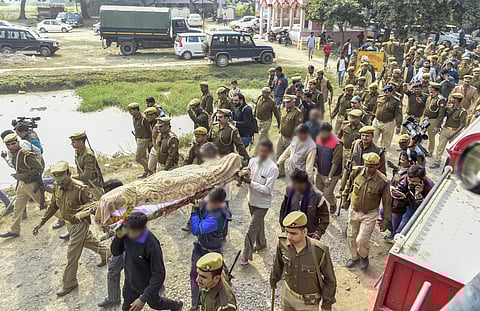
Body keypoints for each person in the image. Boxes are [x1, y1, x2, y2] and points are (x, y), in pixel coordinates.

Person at [33, 160, 111, 296]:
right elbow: (53, 206)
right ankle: (107, 253)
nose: (60, 183)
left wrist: (103, 224)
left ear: (69, 174)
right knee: (87, 241)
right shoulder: (57, 186)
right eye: (57, 181)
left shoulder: (80, 189)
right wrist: (42, 222)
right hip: (69, 224)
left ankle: (69, 283)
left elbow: (94, 208)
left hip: (80, 224)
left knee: (71, 255)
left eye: (62, 180)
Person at [110, 212, 183, 311]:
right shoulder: (126, 232)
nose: (128, 233)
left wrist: (143, 298)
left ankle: (175, 305)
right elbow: (115, 252)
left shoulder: (151, 245)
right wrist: (118, 238)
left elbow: (159, 273)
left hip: (146, 284)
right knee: (127, 308)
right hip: (130, 281)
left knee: (156, 304)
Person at [270, 211, 336, 311]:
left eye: (293, 233)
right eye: (287, 231)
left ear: (304, 232)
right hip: (287, 295)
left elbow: (330, 280)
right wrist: (274, 278)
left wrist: (327, 303)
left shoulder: (319, 252)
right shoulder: (282, 243)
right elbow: (278, 264)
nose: (288, 236)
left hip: (308, 303)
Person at [342, 153, 391, 271]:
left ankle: (364, 256)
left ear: (378, 165)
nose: (369, 168)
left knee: (361, 240)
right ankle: (354, 257)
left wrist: (386, 220)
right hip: (354, 210)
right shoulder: (356, 172)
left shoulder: (383, 181)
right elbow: (348, 186)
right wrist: (344, 198)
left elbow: (387, 202)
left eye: (372, 166)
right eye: (367, 165)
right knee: (351, 236)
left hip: (370, 214)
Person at [240, 139, 278, 265]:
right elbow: (248, 172)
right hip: (251, 200)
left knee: (252, 229)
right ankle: (261, 243)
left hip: (263, 204)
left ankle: (245, 256)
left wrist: (251, 182)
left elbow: (267, 190)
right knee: (258, 224)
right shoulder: (252, 161)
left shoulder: (272, 169)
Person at [189, 188, 229, 308]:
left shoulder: (217, 217)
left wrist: (195, 210)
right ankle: (195, 304)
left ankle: (215, 301)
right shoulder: (209, 202)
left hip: (212, 250)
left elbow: (196, 229)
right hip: (200, 246)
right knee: (195, 275)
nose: (207, 202)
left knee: (214, 277)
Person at [0, 134, 43, 238]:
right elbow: (13, 165)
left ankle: (65, 219)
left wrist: (22, 175)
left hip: (32, 184)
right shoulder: (13, 154)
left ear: (18, 142)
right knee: (18, 208)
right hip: (22, 185)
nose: (11, 147)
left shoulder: (25, 154)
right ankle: (14, 230)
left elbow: (38, 167)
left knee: (45, 204)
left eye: (13, 144)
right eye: (8, 145)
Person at [279, 169, 330, 240]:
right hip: (291, 232)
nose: (292, 185)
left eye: (294, 183)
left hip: (309, 235)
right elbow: (284, 207)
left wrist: (318, 233)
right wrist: (282, 221)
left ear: (303, 184)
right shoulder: (290, 190)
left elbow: (324, 218)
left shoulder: (317, 197)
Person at [387, 165, 433, 242]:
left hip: (414, 208)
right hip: (404, 203)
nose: (410, 182)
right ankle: (392, 233)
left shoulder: (429, 187)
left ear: (422, 179)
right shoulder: (406, 178)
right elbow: (401, 187)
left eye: (414, 181)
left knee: (401, 230)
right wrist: (397, 192)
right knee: (384, 215)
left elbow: (427, 207)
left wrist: (418, 196)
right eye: (409, 180)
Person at [431, 93, 467, 169]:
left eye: (453, 98)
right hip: (445, 129)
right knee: (440, 147)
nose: (451, 100)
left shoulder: (462, 111)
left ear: (457, 100)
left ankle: (451, 164)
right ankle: (437, 162)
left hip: (455, 131)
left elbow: (462, 125)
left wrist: (454, 133)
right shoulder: (449, 108)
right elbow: (441, 115)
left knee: (453, 150)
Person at [315, 122, 343, 214]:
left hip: (332, 174)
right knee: (318, 192)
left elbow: (336, 162)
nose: (322, 134)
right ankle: (321, 209)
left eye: (324, 132)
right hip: (320, 172)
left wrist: (329, 177)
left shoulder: (337, 143)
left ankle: (333, 203)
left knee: (327, 194)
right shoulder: (318, 139)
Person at [276, 95, 303, 177]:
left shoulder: (297, 113)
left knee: (293, 158)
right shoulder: (284, 110)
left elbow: (297, 127)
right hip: (282, 136)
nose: (286, 104)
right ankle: (280, 171)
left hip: (290, 139)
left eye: (288, 102)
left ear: (293, 102)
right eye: (285, 102)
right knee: (279, 155)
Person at [128, 102, 152, 178]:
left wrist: (151, 141)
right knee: (143, 157)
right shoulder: (134, 118)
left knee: (138, 158)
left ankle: (150, 169)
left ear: (136, 110)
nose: (130, 113)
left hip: (144, 140)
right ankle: (146, 171)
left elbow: (149, 130)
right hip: (138, 139)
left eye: (131, 111)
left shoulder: (143, 119)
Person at [423, 82, 446, 156]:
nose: (429, 89)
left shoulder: (440, 99)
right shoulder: (430, 96)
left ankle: (430, 151)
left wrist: (438, 126)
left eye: (430, 87)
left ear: (434, 89)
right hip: (425, 118)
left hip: (433, 120)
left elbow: (441, 114)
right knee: (420, 134)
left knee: (431, 137)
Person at [144, 107, 160, 174]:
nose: (147, 118)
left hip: (159, 147)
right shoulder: (151, 123)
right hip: (154, 146)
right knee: (151, 166)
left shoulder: (159, 124)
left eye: (148, 116)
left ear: (154, 115)